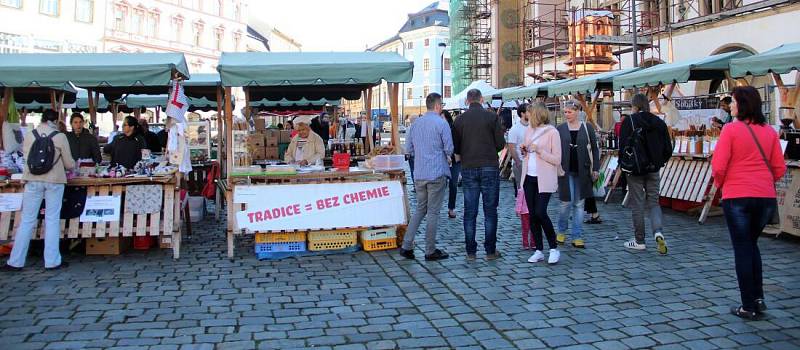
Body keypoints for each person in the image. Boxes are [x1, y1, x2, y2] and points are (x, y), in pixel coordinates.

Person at [711, 86, 785, 320]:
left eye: (732, 102)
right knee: (752, 245)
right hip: (764, 197)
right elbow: (779, 168)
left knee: (743, 248)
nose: (730, 106)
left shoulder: (731, 130)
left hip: (738, 195)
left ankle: (748, 305)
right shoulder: (770, 132)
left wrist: (723, 185)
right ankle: (758, 296)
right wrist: (762, 182)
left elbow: (719, 167)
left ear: (742, 104)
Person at [3, 109, 75, 271]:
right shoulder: (60, 136)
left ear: (42, 119)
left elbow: (26, 158)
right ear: (56, 120)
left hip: (33, 179)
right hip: (54, 181)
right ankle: (52, 261)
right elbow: (69, 164)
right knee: (52, 219)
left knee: (27, 220)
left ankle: (15, 261)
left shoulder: (30, 134)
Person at [453, 89, 506, 260]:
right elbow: (500, 143)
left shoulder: (459, 120)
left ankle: (471, 252)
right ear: (481, 100)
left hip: (468, 166)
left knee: (470, 211)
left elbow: (455, 147)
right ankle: (490, 251)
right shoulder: (492, 117)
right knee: (490, 211)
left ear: (467, 101)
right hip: (489, 165)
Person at [399, 93, 453, 261]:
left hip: (420, 173)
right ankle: (430, 250)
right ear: (438, 106)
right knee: (433, 212)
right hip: (436, 172)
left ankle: (407, 245)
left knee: (420, 209)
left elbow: (408, 149)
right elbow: (449, 148)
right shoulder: (441, 123)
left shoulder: (415, 124)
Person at [620, 94, 673, 254]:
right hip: (653, 168)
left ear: (634, 106)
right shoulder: (658, 122)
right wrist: (659, 162)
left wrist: (623, 165)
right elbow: (668, 148)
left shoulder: (629, 121)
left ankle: (639, 240)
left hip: (635, 169)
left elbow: (622, 146)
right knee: (654, 202)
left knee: (637, 204)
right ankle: (658, 232)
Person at [519, 103, 562, 264]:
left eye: (530, 113)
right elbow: (526, 155)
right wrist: (524, 150)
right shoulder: (529, 130)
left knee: (541, 212)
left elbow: (557, 159)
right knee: (532, 215)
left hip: (544, 179)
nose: (527, 115)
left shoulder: (553, 132)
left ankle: (553, 247)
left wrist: (540, 151)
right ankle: (538, 249)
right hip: (529, 177)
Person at [554, 102, 600, 249]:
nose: (566, 115)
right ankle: (561, 231)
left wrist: (596, 168)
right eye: (565, 112)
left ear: (577, 111)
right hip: (565, 171)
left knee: (579, 204)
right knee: (565, 202)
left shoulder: (587, 128)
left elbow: (594, 148)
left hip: (583, 171)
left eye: (569, 112)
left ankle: (577, 235)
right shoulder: (560, 129)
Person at [507, 104, 530, 193]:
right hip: (520, 162)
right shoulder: (515, 129)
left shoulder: (533, 126)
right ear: (522, 113)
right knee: (522, 189)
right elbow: (511, 147)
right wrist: (518, 162)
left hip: (532, 163)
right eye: (529, 111)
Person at [441, 110, 460, 219]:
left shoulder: (454, 129)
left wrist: (456, 154)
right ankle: (436, 207)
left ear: (448, 119)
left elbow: (458, 143)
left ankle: (451, 208)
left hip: (454, 160)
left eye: (443, 118)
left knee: (453, 184)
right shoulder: (437, 129)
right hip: (441, 160)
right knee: (440, 185)